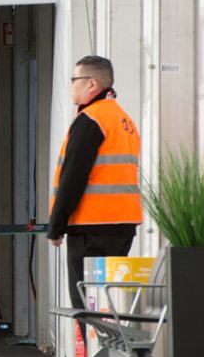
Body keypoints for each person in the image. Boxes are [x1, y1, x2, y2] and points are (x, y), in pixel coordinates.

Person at [48, 55, 142, 321]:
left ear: (91, 84)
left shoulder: (91, 120)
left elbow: (73, 177)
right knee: (108, 302)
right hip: (123, 225)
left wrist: (57, 225)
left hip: (92, 226)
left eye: (73, 80)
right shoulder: (125, 121)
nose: (70, 87)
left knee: (86, 303)